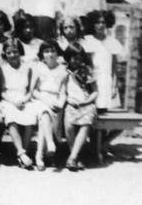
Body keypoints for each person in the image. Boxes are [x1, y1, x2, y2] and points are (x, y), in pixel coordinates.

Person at [0, 37, 37, 169]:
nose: (12, 55)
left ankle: (22, 155)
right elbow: (2, 92)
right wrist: (14, 102)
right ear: (5, 54)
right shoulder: (3, 69)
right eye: (9, 53)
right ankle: (21, 152)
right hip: (9, 99)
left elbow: (30, 91)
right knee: (11, 117)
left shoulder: (27, 68)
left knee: (30, 116)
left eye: (15, 52)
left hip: (24, 98)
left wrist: (24, 100)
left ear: (20, 52)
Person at [31, 40, 67, 170]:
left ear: (57, 53)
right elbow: (33, 91)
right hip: (40, 99)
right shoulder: (38, 67)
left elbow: (63, 92)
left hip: (56, 101)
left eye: (53, 51)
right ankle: (50, 143)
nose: (50, 54)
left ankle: (39, 156)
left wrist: (60, 104)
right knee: (44, 111)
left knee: (43, 120)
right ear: (42, 54)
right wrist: (45, 100)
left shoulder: (63, 70)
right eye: (46, 51)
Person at [63, 42, 98, 171]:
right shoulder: (64, 71)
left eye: (79, 58)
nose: (77, 61)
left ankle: (72, 157)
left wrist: (88, 100)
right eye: (74, 58)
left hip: (86, 105)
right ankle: (75, 156)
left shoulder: (86, 71)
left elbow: (95, 91)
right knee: (69, 126)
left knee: (85, 125)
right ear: (68, 57)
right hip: (71, 105)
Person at [83, 10, 125, 110]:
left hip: (107, 82)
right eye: (97, 22)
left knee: (106, 112)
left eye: (103, 22)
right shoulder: (87, 40)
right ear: (93, 24)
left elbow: (114, 68)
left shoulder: (112, 42)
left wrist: (114, 87)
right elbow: (87, 64)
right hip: (93, 81)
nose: (100, 25)